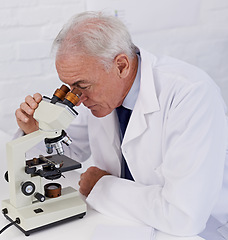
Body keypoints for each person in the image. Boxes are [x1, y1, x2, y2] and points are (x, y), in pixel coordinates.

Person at [15, 11, 228, 237]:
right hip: (127, 222)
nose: (77, 99)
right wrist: (36, 132)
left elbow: (184, 215)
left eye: (82, 86)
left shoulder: (190, 94)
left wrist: (101, 186)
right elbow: (67, 154)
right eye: (70, 89)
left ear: (121, 66)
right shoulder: (99, 94)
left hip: (203, 232)